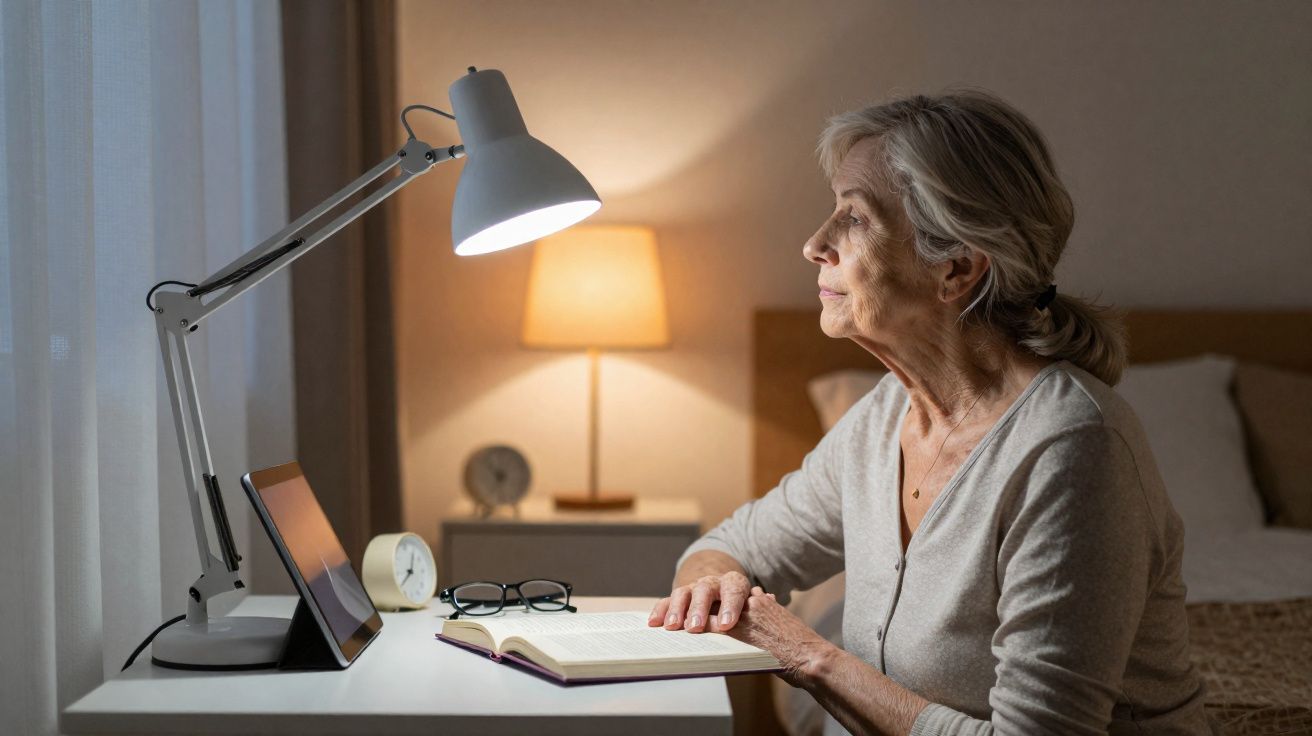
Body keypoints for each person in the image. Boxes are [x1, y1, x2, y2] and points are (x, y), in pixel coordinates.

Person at [650, 90, 1213, 735]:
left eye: (854, 218)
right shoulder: (884, 417)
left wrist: (807, 656)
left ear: (956, 268)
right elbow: (728, 548)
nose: (814, 244)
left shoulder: (1073, 449)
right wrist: (712, 585)